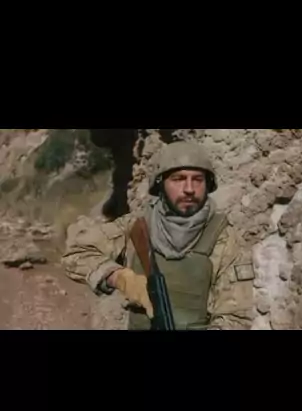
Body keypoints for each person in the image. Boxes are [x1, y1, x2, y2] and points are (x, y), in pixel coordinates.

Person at [61, 141, 254, 331]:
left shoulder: (225, 240)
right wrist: (119, 277)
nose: (189, 188)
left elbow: (237, 319)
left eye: (197, 179)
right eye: (178, 179)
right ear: (161, 184)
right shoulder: (136, 226)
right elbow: (76, 253)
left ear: (208, 185)